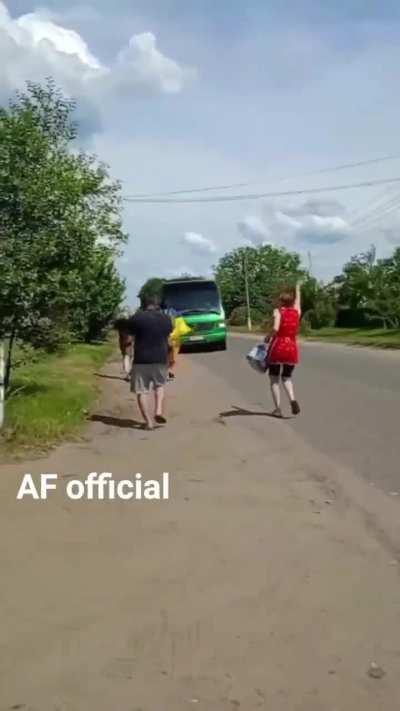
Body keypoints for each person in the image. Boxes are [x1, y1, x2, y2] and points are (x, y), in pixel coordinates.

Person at [127, 295, 173, 430]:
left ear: (144, 305)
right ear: (157, 305)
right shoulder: (166, 319)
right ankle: (158, 411)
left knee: (141, 392)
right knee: (159, 386)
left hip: (141, 360)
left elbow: (129, 339)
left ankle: (148, 423)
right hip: (160, 358)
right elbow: (169, 340)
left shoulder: (136, 318)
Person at [265, 282, 301, 417]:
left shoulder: (278, 311)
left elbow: (275, 328)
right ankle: (292, 399)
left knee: (274, 378)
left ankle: (278, 409)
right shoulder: (297, 311)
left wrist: (268, 337)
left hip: (279, 346)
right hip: (292, 347)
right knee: (287, 377)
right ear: (292, 302)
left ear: (281, 301)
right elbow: (298, 301)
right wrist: (298, 288)